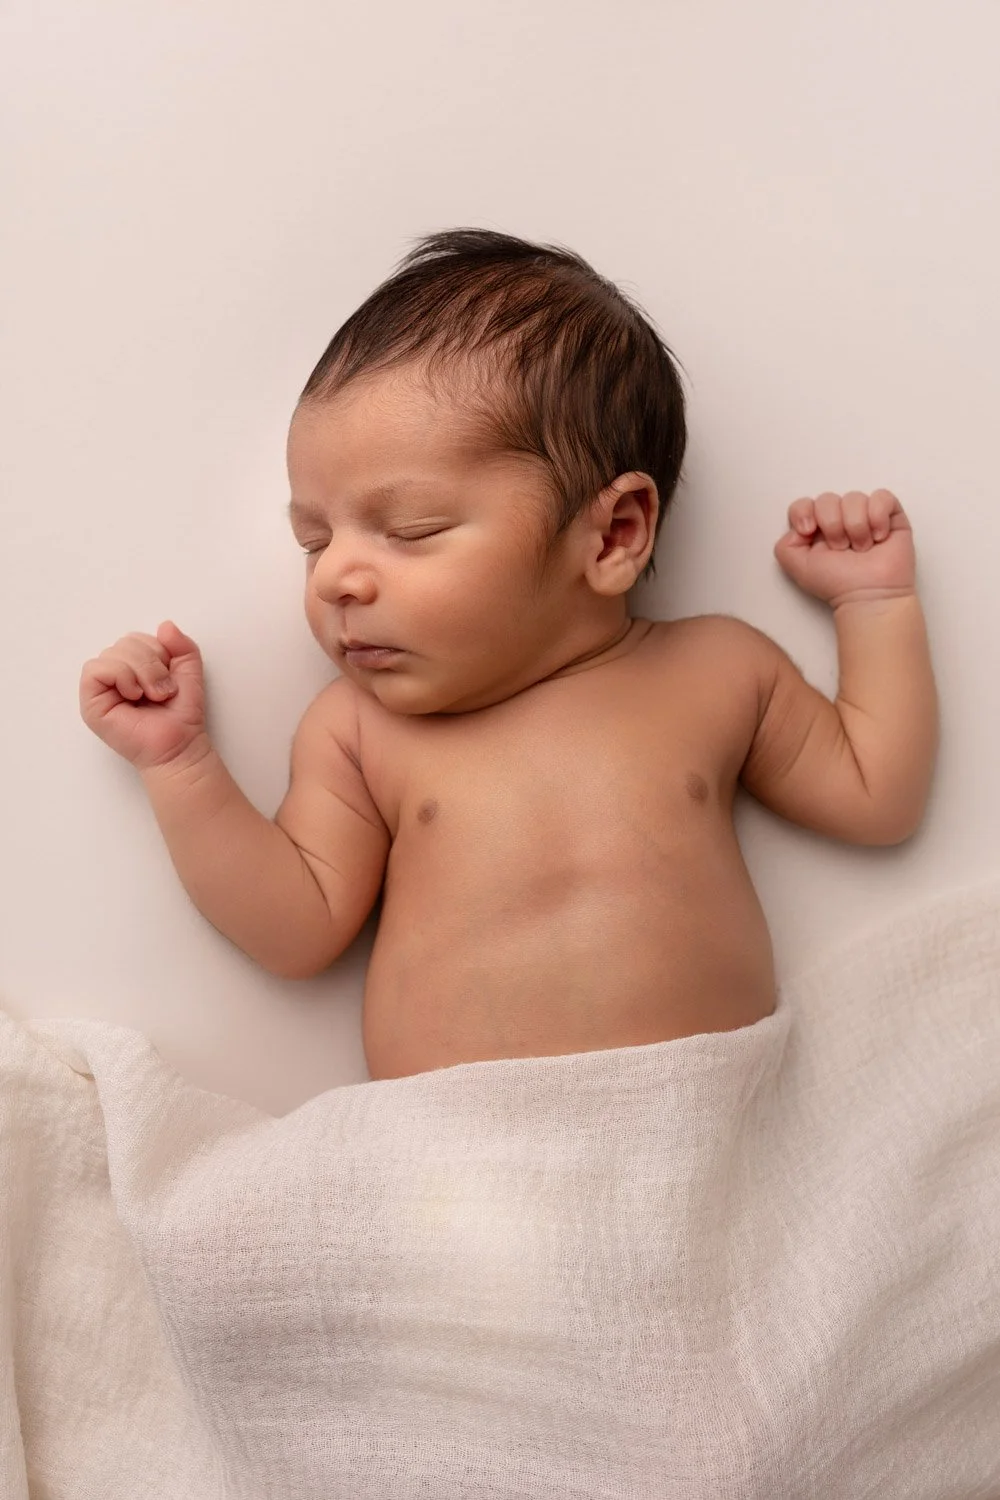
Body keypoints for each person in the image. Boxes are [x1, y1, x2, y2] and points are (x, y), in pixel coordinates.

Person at [78, 228, 938, 1081]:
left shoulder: (717, 672)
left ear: (613, 534)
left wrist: (874, 603)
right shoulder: (358, 732)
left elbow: (876, 795)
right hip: (463, 1167)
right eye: (314, 540)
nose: (335, 575)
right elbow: (296, 928)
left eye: (409, 530)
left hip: (698, 1127)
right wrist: (181, 764)